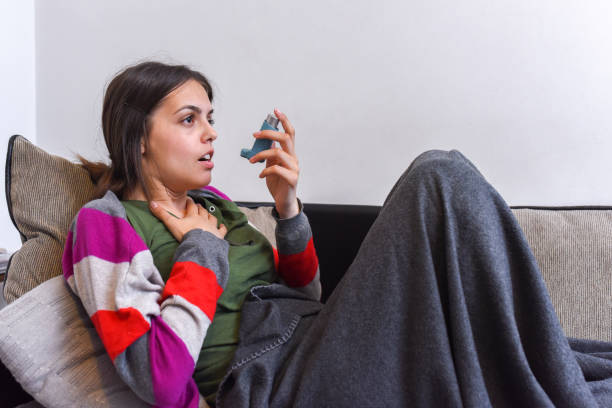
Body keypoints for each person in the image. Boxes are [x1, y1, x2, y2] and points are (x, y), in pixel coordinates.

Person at [63, 61, 612, 408]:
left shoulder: (215, 204)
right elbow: (159, 378)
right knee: (437, 177)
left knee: (445, 187)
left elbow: (305, 296)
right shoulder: (105, 224)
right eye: (189, 120)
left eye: (210, 117)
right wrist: (202, 250)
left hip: (316, 340)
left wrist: (287, 207)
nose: (211, 133)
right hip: (269, 381)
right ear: (138, 137)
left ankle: (542, 368)